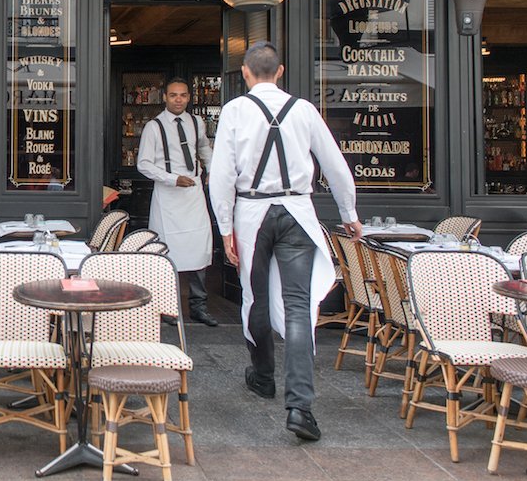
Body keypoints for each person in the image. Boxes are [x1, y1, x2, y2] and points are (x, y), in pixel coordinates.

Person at [208, 41, 361, 442]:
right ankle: (300, 407)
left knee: (255, 297)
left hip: (253, 213)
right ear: (280, 71)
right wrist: (349, 215)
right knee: (298, 307)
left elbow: (221, 174)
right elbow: (336, 166)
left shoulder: (235, 111)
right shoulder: (305, 111)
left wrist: (224, 228)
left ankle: (262, 376)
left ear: (244, 72)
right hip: (298, 212)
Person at [136, 77, 218, 326]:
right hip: (168, 196)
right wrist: (172, 179)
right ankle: (168, 307)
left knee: (200, 250)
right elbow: (144, 164)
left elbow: (203, 148)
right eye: (173, 95)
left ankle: (198, 306)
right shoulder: (154, 127)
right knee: (167, 252)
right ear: (165, 97)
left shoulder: (197, 122)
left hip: (193, 194)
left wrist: (212, 170)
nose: (178, 99)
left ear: (189, 97)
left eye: (182, 95)